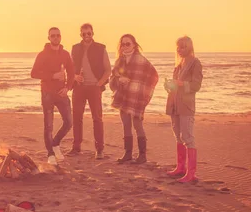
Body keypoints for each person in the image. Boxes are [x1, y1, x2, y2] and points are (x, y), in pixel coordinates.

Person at [110, 34, 158, 164]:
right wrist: (119, 79)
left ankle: (142, 155)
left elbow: (154, 76)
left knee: (137, 125)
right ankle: (128, 153)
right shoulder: (119, 61)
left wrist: (140, 89)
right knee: (126, 125)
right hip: (123, 96)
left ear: (134, 45)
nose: (125, 46)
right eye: (123, 44)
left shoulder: (141, 60)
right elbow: (113, 77)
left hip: (137, 98)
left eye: (128, 44)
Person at [30, 27, 75, 166]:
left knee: (68, 122)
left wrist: (67, 88)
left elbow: (72, 73)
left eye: (58, 35)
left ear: (60, 37)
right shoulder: (42, 54)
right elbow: (34, 73)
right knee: (48, 126)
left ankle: (55, 144)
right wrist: (52, 76)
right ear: (49, 38)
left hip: (62, 93)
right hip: (47, 93)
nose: (56, 38)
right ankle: (50, 154)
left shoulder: (66, 54)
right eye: (53, 36)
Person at [164, 36, 203, 183]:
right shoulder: (179, 64)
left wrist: (180, 83)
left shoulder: (195, 63)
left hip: (186, 105)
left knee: (188, 137)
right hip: (174, 103)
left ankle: (191, 173)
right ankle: (181, 167)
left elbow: (196, 86)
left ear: (190, 47)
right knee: (178, 136)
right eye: (178, 47)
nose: (180, 50)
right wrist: (170, 86)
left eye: (183, 47)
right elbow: (177, 85)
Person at [69, 23, 111, 159]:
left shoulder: (100, 48)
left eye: (89, 33)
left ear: (93, 33)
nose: (87, 36)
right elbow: (69, 69)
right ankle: (76, 148)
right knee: (76, 118)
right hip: (79, 88)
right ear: (80, 34)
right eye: (84, 33)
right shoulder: (75, 48)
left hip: (94, 88)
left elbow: (108, 70)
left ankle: (99, 149)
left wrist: (99, 84)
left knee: (97, 119)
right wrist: (75, 76)